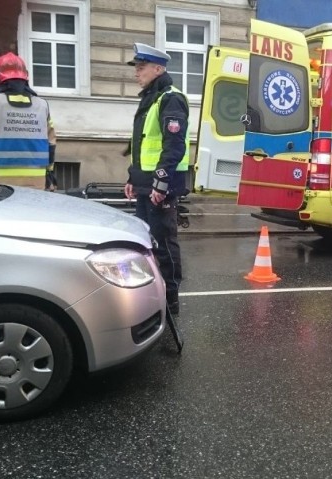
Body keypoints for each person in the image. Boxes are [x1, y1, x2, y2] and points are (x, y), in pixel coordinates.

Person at [125, 42, 189, 315]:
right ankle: (153, 295)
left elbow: (174, 145)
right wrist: (133, 178)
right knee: (145, 243)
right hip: (145, 185)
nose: (136, 72)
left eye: (142, 67)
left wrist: (160, 183)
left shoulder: (170, 98)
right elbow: (142, 145)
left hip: (160, 187)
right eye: (136, 67)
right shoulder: (150, 97)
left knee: (163, 242)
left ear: (159, 68)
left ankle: (171, 298)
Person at [0, 52, 56, 189]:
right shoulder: (42, 105)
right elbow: (51, 144)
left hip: (3, 185)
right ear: (25, 76)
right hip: (37, 182)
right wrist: (49, 170)